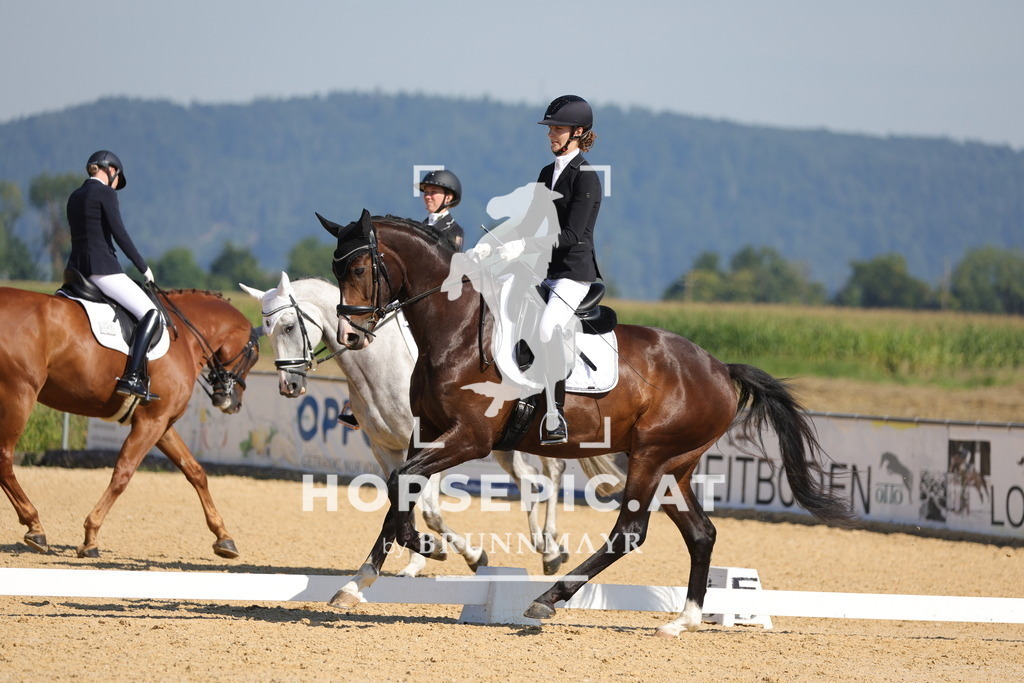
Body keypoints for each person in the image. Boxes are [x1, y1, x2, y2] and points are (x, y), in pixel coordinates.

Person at [516, 95, 603, 444]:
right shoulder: (545, 173)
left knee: (549, 328)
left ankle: (555, 415)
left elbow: (571, 235)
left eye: (558, 129)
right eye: (550, 128)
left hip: (575, 274)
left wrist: (525, 245)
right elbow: (530, 223)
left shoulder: (587, 178)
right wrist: (498, 245)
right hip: (546, 271)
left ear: (578, 132)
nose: (551, 135)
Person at [66, 150, 162, 402]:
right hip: (102, 270)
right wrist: (142, 267)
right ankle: (132, 376)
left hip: (75, 271)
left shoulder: (75, 196)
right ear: (110, 170)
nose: (116, 185)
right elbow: (120, 234)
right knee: (151, 313)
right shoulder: (105, 193)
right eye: (117, 178)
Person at [419, 169, 465, 251]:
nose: (427, 196)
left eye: (433, 191)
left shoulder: (455, 231)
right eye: (426, 192)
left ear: (448, 198)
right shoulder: (420, 226)